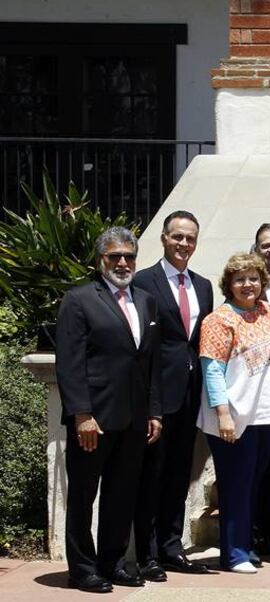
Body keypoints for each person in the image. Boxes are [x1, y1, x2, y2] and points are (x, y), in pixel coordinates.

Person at [57, 227, 162, 593]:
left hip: (134, 420)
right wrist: (81, 414)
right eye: (114, 256)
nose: (122, 262)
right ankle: (82, 569)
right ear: (100, 259)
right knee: (84, 496)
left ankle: (113, 562)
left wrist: (155, 412)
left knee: (122, 494)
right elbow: (69, 364)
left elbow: (149, 363)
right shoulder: (79, 299)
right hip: (94, 420)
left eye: (129, 256)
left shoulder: (146, 301)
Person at [133, 212, 214, 582]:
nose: (184, 244)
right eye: (177, 237)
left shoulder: (203, 286)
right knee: (152, 477)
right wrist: (149, 403)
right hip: (156, 398)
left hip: (190, 397)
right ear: (164, 238)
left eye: (190, 238)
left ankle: (171, 547)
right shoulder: (143, 282)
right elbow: (141, 347)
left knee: (180, 477)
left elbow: (199, 342)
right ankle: (147, 553)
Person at [197, 252, 270, 573]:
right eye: (240, 279)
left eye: (253, 278)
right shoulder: (218, 320)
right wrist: (222, 413)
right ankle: (233, 553)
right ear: (228, 284)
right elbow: (212, 371)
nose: (247, 284)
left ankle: (245, 546)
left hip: (265, 415)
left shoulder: (268, 312)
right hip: (232, 416)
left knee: (252, 484)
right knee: (234, 484)